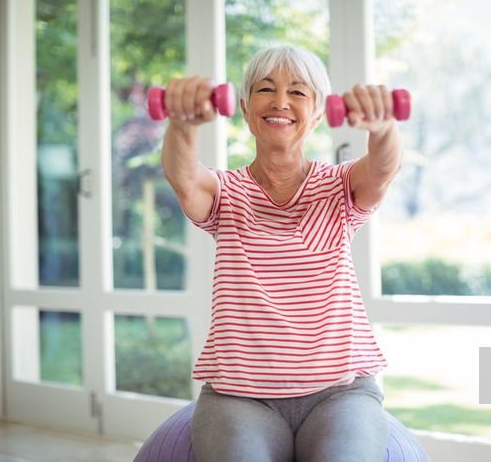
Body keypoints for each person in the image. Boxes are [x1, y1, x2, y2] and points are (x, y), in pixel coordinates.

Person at [160, 45, 403, 462]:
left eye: (298, 92)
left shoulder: (339, 188)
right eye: (265, 89)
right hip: (239, 398)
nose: (280, 102)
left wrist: (383, 129)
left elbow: (382, 169)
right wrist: (182, 123)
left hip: (341, 392)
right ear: (243, 107)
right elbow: (184, 179)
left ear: (319, 113)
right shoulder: (226, 193)